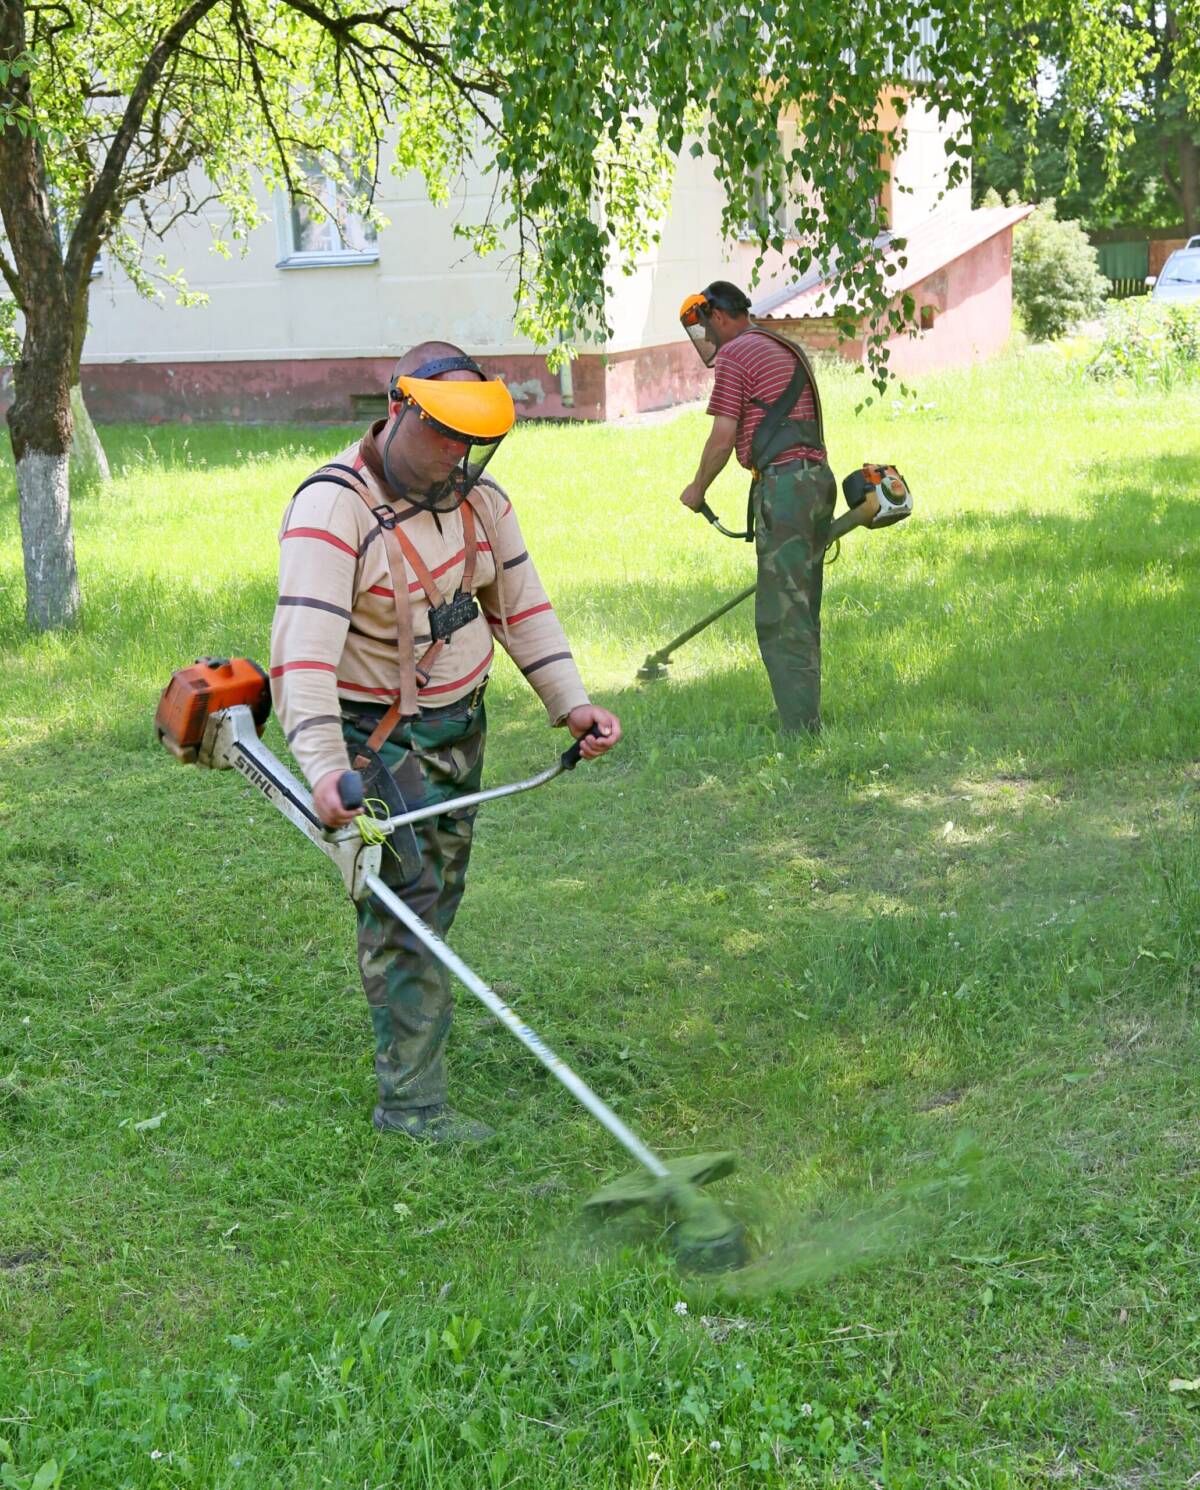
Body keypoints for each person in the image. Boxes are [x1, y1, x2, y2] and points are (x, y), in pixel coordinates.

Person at [270, 342, 621, 1143]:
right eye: (446, 437)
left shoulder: (479, 502)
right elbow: (303, 656)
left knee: (439, 896)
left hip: (463, 728)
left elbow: (521, 607)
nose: (459, 457)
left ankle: (411, 1037)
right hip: (377, 747)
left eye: (474, 442)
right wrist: (325, 769)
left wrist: (571, 703)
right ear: (400, 411)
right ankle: (412, 1107)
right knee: (407, 908)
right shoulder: (335, 510)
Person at [677, 281, 836, 734]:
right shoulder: (777, 343)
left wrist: (697, 489)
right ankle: (799, 709)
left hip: (785, 490)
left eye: (706, 329)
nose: (707, 340)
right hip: (815, 482)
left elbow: (723, 436)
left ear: (719, 317)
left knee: (781, 615)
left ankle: (801, 727)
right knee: (802, 607)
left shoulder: (735, 354)